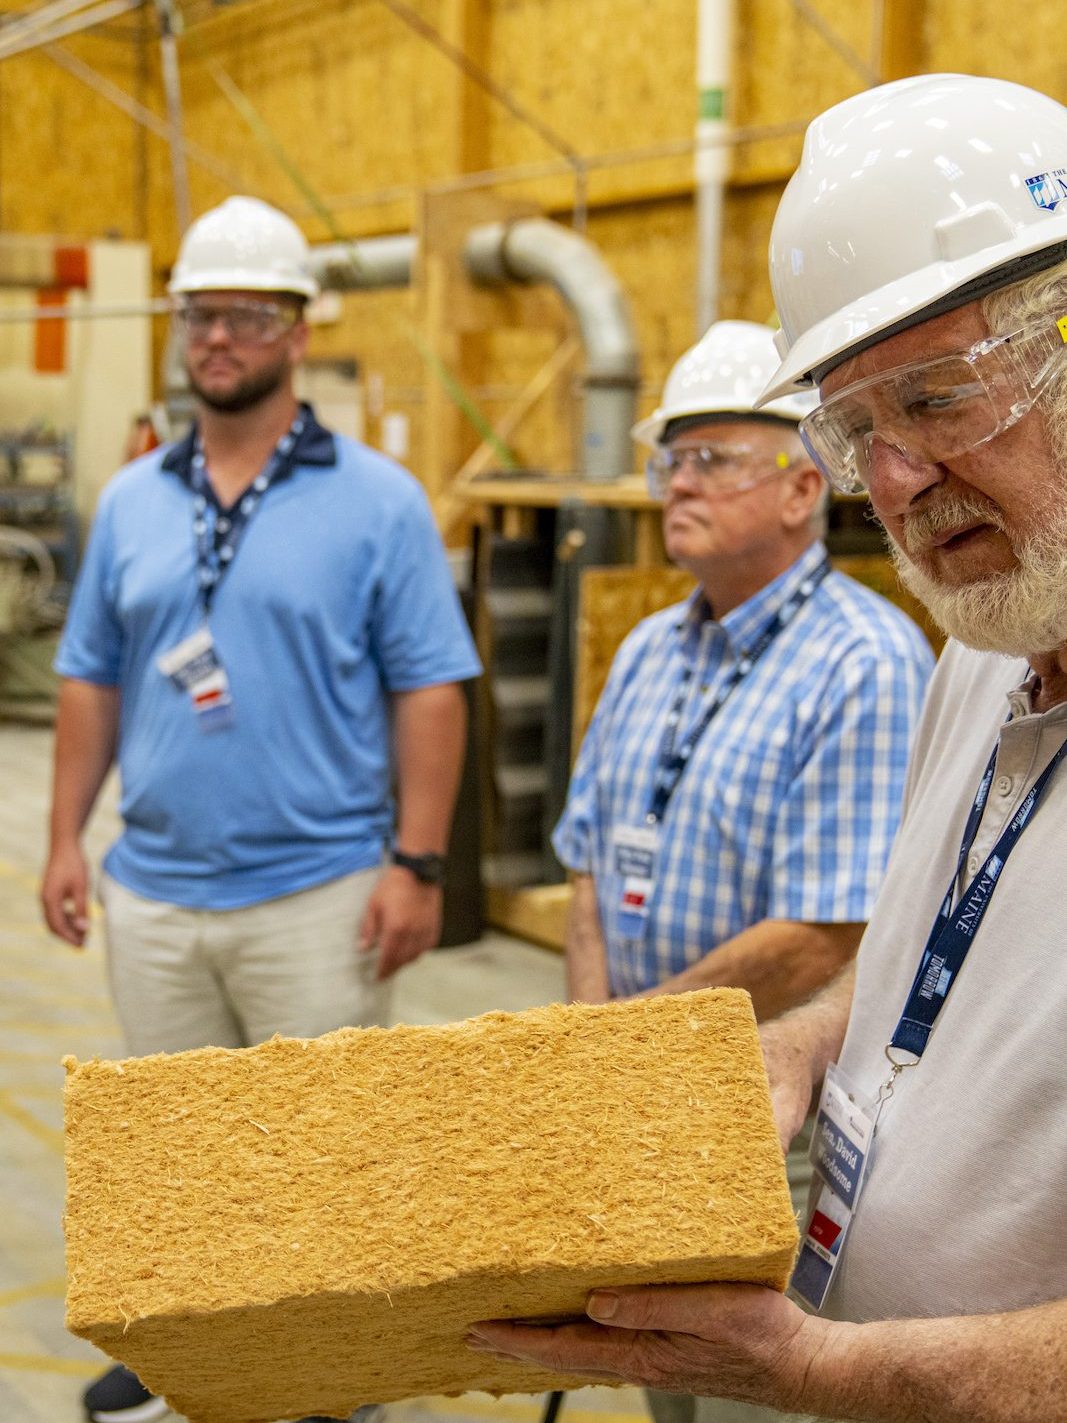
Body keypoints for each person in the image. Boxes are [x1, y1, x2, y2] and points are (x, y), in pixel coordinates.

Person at [467, 74, 1067, 1422]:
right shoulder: (977, 653)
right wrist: (798, 1045)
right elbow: (921, 963)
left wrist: (807, 1367)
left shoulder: (880, 651)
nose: (895, 480)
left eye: (934, 397)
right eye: (857, 432)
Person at [42, 196, 480, 1423]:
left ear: (297, 329)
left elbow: (429, 688)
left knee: (322, 1157)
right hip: (155, 891)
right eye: (199, 314)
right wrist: (64, 837)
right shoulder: (134, 497)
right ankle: (192, 1357)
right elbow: (89, 675)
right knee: (182, 1156)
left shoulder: (380, 501)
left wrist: (417, 863)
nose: (217, 336)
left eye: (244, 314)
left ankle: (331, 1381)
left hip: (318, 891)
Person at [550, 319, 933, 1423]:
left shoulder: (861, 660)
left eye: (710, 458)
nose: (677, 483)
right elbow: (586, 863)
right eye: (670, 460)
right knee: (653, 1366)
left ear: (803, 486)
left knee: (745, 1390)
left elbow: (825, 935)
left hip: (766, 1113)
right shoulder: (645, 648)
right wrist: (598, 1043)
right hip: (636, 1080)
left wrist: (635, 1042)